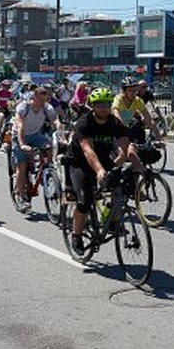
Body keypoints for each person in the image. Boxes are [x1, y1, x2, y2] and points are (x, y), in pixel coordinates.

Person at [66, 87, 143, 252]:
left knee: (121, 188)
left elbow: (125, 145)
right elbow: (88, 151)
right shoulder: (84, 123)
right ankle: (76, 235)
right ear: (92, 106)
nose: (104, 109)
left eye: (107, 105)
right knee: (85, 200)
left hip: (103, 159)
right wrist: (100, 171)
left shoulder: (115, 122)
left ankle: (110, 220)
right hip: (79, 162)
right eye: (99, 105)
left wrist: (137, 166)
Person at [11, 86, 59, 211]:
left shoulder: (46, 107)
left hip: (35, 134)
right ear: (35, 96)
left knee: (50, 146)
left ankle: (47, 170)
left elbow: (55, 120)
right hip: (20, 135)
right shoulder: (23, 107)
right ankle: (22, 198)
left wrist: (60, 131)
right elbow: (20, 126)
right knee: (21, 167)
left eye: (47, 97)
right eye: (42, 97)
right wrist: (22, 144)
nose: (45, 100)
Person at [113, 77, 161, 145]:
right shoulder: (119, 99)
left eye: (135, 90)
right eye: (131, 91)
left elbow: (148, 119)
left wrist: (159, 139)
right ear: (124, 91)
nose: (134, 93)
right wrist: (123, 127)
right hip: (115, 129)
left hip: (127, 128)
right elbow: (116, 113)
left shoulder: (138, 100)